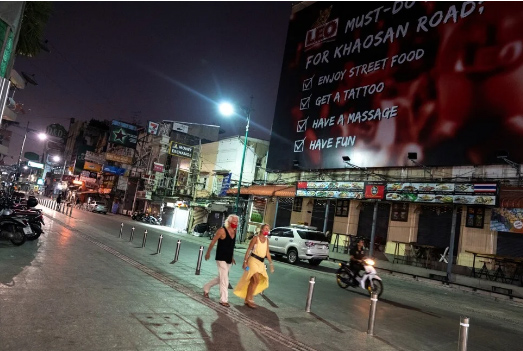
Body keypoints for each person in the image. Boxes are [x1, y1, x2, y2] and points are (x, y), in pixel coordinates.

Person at [233, 223, 274, 309]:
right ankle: (250, 299)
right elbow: (249, 249)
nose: (267, 230)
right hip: (253, 261)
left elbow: (267, 253)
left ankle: (248, 298)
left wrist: (271, 263)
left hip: (261, 263)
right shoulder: (256, 238)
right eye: (266, 229)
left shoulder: (267, 240)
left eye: (268, 229)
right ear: (262, 229)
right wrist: (245, 261)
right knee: (256, 280)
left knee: (253, 281)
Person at [203, 214, 238, 308]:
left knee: (221, 278)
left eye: (237, 222)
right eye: (234, 221)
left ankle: (206, 287)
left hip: (228, 259)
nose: (236, 223)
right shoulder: (222, 230)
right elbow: (213, 242)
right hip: (221, 258)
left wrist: (232, 256)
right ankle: (224, 300)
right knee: (225, 280)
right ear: (229, 222)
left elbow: (231, 246)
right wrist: (208, 253)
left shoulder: (235, 231)